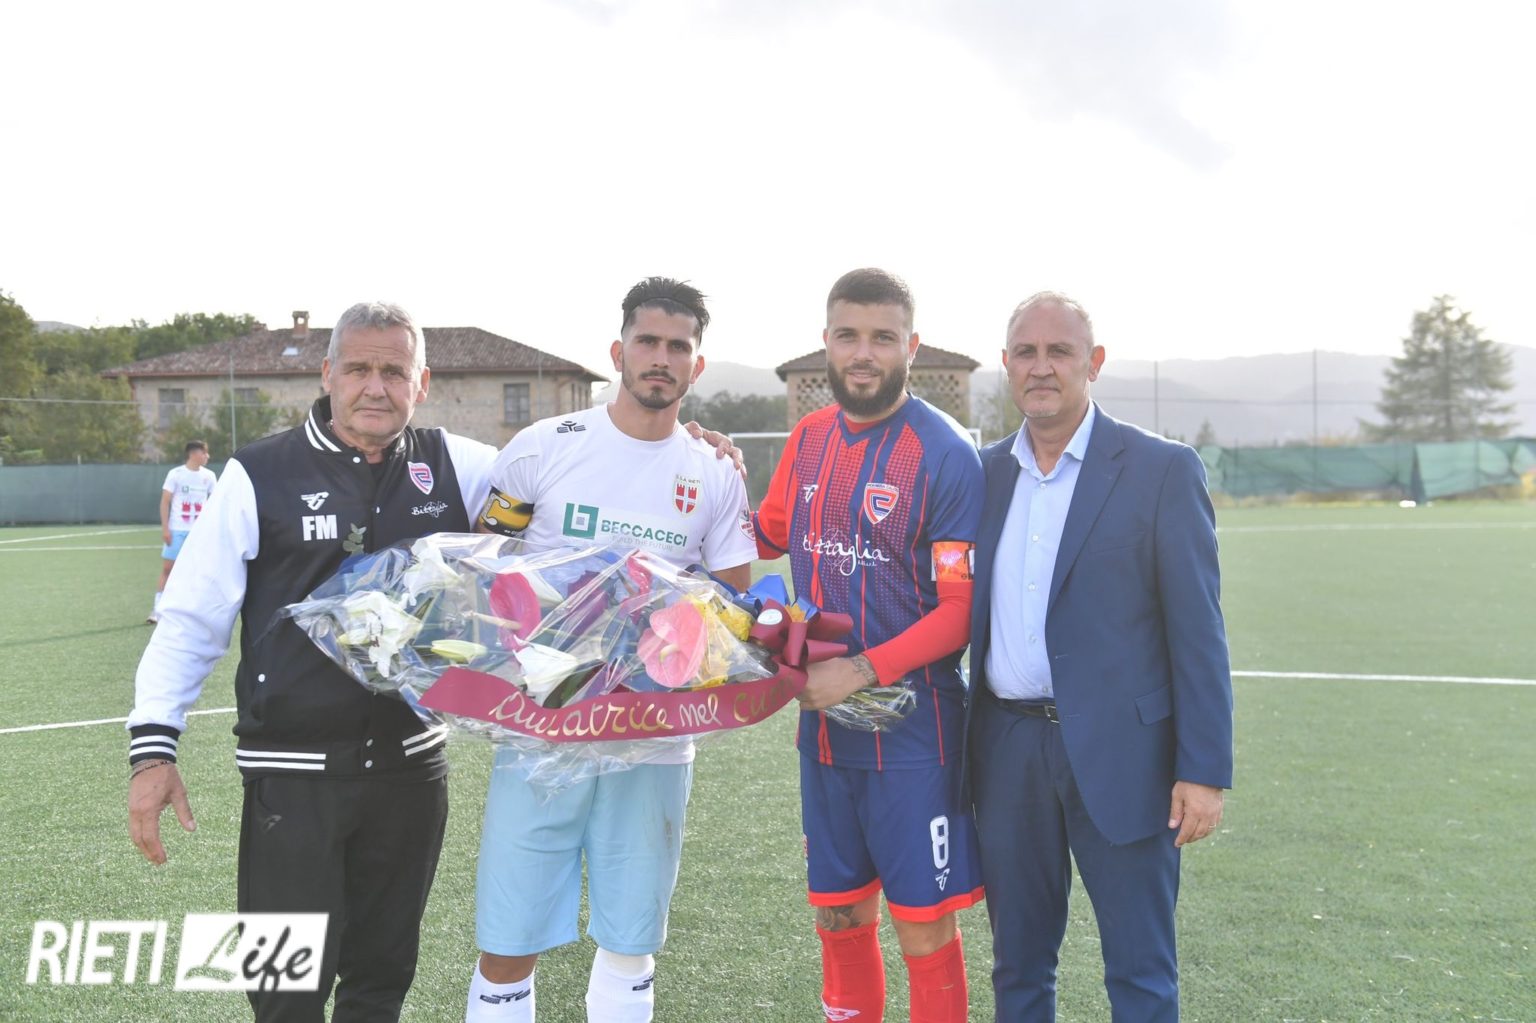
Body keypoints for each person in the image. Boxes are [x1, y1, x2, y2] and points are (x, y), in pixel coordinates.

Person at [126, 301, 497, 1022]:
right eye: (357, 368)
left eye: (394, 371)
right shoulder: (258, 472)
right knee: (284, 994)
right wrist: (153, 750)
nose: (375, 387)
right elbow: (191, 618)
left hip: (410, 773)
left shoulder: (460, 465)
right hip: (292, 779)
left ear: (422, 382)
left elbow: (575, 478)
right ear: (327, 374)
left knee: (380, 983)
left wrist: (697, 448)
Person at [468, 277, 755, 1023]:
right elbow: (483, 571)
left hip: (652, 738)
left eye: (678, 347)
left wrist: (658, 638)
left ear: (696, 364)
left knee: (632, 941)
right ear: (617, 351)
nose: (661, 358)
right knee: (508, 936)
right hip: (541, 728)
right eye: (648, 341)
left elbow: (732, 612)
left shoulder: (715, 471)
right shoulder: (545, 447)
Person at [966, 291, 1234, 1021]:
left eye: (1059, 351)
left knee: (1141, 971)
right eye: (1026, 352)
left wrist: (1204, 770)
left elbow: (1199, 631)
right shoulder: (982, 475)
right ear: (1006, 364)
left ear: (1094, 362)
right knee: (1018, 966)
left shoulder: (1160, 469)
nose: (1041, 367)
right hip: (1008, 750)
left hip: (1127, 756)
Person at [753, 268, 984, 1023]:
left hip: (915, 735)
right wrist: (704, 466)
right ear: (826, 341)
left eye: (883, 337)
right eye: (848, 335)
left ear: (911, 346)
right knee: (839, 914)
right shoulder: (808, 439)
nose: (863, 352)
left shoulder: (945, 452)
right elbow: (764, 534)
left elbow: (960, 610)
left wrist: (858, 670)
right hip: (824, 734)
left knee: (923, 925)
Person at [149, 439, 216, 623]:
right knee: (168, 569)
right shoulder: (176, 474)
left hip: (199, 533)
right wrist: (166, 529)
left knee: (199, 571)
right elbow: (165, 502)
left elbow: (214, 504)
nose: (207, 456)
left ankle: (194, 610)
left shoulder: (209, 476)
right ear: (193, 454)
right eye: (204, 452)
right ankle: (157, 609)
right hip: (177, 530)